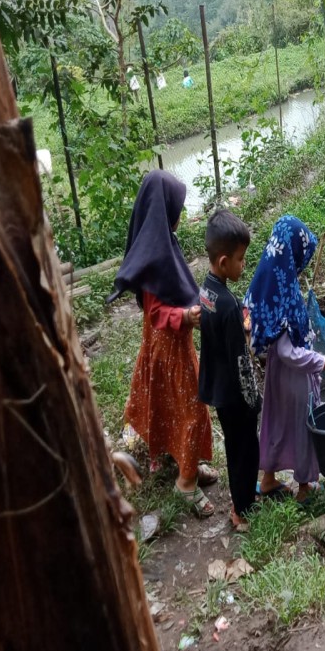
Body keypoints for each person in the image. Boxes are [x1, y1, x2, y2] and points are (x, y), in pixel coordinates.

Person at [109, 170, 215, 517]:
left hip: (170, 347)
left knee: (172, 407)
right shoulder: (155, 255)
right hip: (168, 348)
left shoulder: (162, 243)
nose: (182, 213)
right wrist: (184, 317)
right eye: (178, 206)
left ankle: (186, 462)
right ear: (164, 209)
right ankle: (186, 483)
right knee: (194, 410)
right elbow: (156, 311)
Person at [245, 215, 325, 500]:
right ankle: (304, 488)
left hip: (275, 376)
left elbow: (266, 330)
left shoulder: (268, 279)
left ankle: (267, 479)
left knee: (275, 424)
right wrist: (317, 360)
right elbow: (286, 349)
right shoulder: (285, 290)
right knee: (304, 427)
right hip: (294, 376)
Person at [198, 209, 260, 531]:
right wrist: (255, 400)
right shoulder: (229, 305)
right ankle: (241, 511)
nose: (243, 264)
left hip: (218, 390)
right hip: (236, 398)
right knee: (244, 451)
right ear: (223, 262)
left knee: (236, 447)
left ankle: (244, 500)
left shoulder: (206, 292)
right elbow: (241, 363)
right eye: (240, 258)